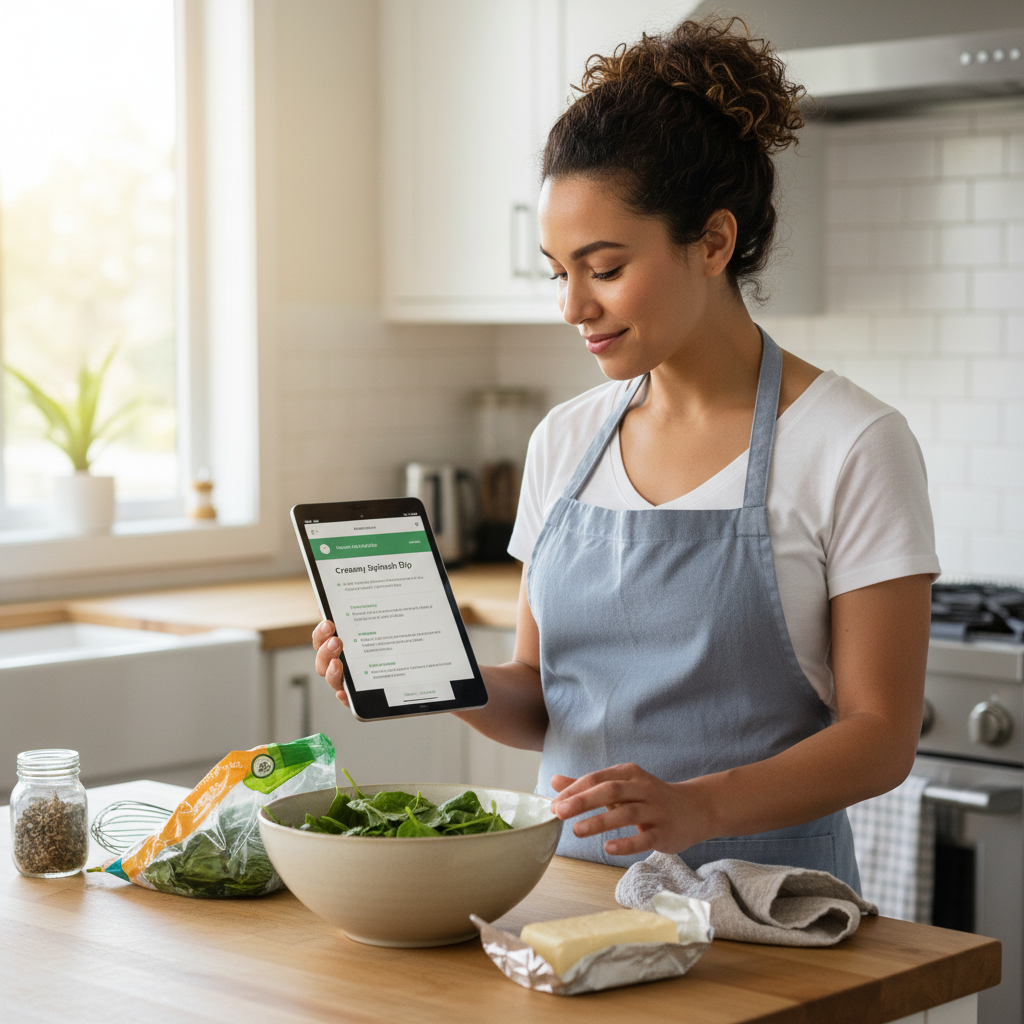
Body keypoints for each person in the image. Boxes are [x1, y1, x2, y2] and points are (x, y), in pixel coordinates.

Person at [312, 17, 938, 890]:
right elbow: (540, 698)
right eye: (556, 270)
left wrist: (701, 807)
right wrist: (430, 675)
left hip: (764, 915)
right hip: (570, 901)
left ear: (713, 242)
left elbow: (881, 736)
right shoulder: (564, 441)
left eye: (602, 268)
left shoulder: (852, 443)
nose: (572, 306)